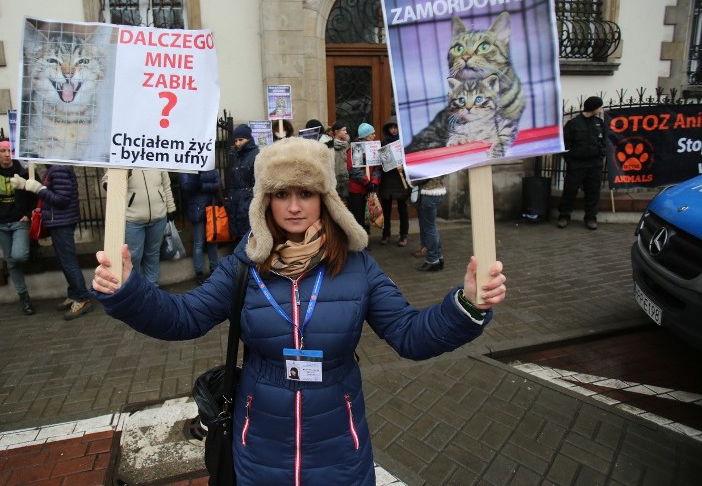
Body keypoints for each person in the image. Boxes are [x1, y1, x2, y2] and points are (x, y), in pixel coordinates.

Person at [91, 137, 506, 486]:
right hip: (260, 449)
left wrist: (465, 305)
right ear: (264, 202)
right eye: (281, 195)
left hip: (340, 449)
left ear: (325, 200)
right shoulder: (244, 264)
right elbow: (185, 317)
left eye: (305, 193)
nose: (293, 207)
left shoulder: (357, 266)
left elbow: (410, 334)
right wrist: (129, 291)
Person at [11, 165, 94, 320]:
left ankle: (82, 298)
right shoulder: (53, 168)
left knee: (68, 262)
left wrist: (38, 189)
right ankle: (74, 293)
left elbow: (61, 200)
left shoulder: (59, 169)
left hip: (62, 222)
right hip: (58, 221)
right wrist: (24, 185)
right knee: (64, 261)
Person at [0, 141, 36, 315]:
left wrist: (29, 213)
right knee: (11, 261)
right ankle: (24, 297)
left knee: (19, 255)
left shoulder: (24, 170)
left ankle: (29, 247)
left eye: (10, 150)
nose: (7, 154)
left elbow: (36, 193)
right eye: (3, 151)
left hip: (20, 220)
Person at [104, 169, 176, 286]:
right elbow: (107, 182)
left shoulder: (156, 156)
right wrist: (123, 177)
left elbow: (166, 184)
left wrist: (171, 207)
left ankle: (152, 289)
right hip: (133, 220)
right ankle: (134, 289)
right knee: (133, 257)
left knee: (153, 254)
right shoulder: (124, 158)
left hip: (158, 218)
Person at [557, 96, 609, 231]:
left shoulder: (599, 123)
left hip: (594, 164)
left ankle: (591, 218)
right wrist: (571, 160)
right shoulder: (573, 124)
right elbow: (565, 144)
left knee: (593, 192)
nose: (601, 109)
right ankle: (564, 216)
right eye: (599, 107)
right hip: (577, 164)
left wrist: (601, 155)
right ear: (593, 107)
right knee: (570, 191)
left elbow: (604, 141)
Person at [179, 169, 221, 284]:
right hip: (196, 208)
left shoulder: (210, 166)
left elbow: (218, 184)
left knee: (212, 240)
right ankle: (199, 273)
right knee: (198, 242)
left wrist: (201, 186)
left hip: (211, 207)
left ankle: (215, 269)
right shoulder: (187, 167)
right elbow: (187, 187)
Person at [377, 116, 411, 246]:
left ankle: (403, 235)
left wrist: (403, 166)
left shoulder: (405, 143)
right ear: (388, 129)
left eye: (395, 127)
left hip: (401, 180)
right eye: (391, 127)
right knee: (386, 210)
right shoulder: (383, 143)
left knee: (402, 209)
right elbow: (380, 161)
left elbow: (410, 159)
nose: (393, 130)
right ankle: (386, 234)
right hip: (387, 180)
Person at [225, 124, 259, 238]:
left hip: (247, 205)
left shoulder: (256, 155)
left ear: (249, 139)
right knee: (239, 240)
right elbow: (233, 183)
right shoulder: (235, 156)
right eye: (235, 140)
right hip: (236, 205)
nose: (237, 143)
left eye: (241, 139)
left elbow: (257, 184)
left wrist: (248, 202)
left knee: (250, 240)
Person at [347, 122, 381, 233]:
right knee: (357, 216)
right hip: (357, 190)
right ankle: (358, 242)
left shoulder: (374, 148)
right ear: (365, 136)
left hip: (370, 188)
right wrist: (366, 182)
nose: (374, 136)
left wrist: (375, 182)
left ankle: (366, 238)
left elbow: (377, 167)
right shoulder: (355, 148)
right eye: (372, 134)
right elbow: (353, 169)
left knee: (368, 215)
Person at [414, 175, 447, 272]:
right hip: (438, 190)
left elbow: (419, 175)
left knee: (429, 228)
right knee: (432, 227)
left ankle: (432, 260)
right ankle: (438, 257)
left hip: (428, 192)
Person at [330, 120, 350, 203]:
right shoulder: (330, 146)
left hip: (347, 180)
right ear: (336, 131)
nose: (346, 132)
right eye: (343, 130)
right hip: (335, 181)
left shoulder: (346, 145)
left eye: (346, 130)